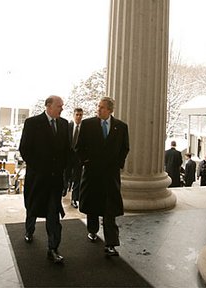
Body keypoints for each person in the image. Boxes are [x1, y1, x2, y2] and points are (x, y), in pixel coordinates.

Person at [19, 95, 70, 264]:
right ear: (48, 106)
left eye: (62, 106)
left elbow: (66, 151)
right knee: (32, 208)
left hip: (55, 181)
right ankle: (29, 230)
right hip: (38, 179)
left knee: (53, 214)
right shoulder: (32, 123)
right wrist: (39, 168)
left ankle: (53, 248)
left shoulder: (63, 124)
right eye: (59, 106)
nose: (61, 109)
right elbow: (25, 149)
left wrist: (71, 171)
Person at [75, 96, 129, 256]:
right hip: (92, 173)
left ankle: (111, 243)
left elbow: (125, 148)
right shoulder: (87, 124)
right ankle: (92, 230)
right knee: (92, 205)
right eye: (98, 107)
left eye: (102, 107)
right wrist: (86, 161)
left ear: (110, 110)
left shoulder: (121, 127)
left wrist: (117, 164)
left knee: (109, 210)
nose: (98, 110)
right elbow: (79, 147)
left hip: (110, 176)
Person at [64, 108, 84, 208]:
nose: (79, 117)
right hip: (67, 157)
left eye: (80, 115)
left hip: (79, 158)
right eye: (77, 115)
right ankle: (63, 190)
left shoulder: (85, 128)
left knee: (77, 178)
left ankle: (74, 199)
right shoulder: (68, 126)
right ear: (73, 115)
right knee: (65, 175)